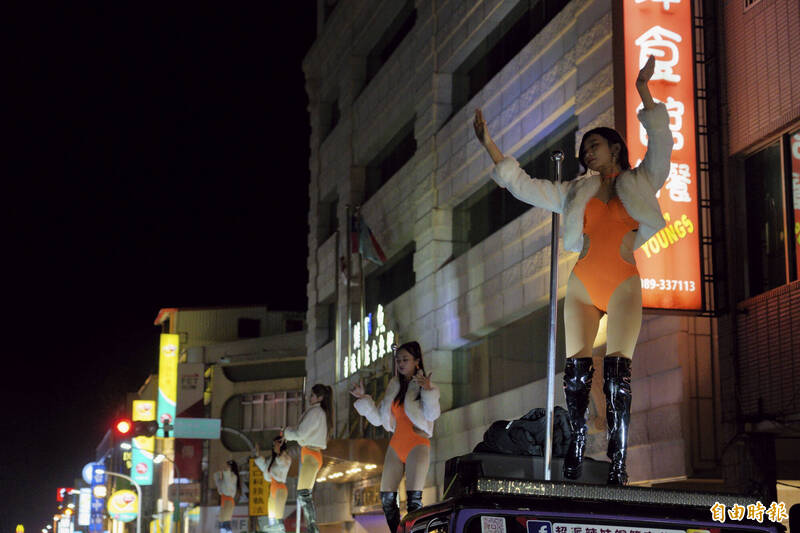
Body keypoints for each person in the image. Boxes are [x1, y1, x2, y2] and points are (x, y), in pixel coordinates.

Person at [473, 55, 672, 485]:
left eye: (593, 146)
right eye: (583, 150)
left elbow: (661, 147)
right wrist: (489, 145)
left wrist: (643, 91)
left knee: (617, 379)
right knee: (577, 378)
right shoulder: (573, 191)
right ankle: (576, 453)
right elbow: (524, 185)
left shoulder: (639, 181)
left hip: (622, 284)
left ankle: (619, 465)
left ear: (614, 148)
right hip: (582, 286)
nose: (586, 154)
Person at [350, 341, 441, 532]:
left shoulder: (424, 385)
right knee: (386, 498)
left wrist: (429, 391)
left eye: (405, 359)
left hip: (418, 444)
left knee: (413, 501)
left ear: (417, 362)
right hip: (396, 445)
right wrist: (362, 399)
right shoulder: (394, 385)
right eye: (398, 359)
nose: (400, 363)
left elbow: (432, 415)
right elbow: (379, 419)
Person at [282, 383, 333, 533]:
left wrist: (286, 433)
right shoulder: (320, 413)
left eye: (312, 395)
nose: (309, 397)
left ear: (320, 397)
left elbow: (300, 433)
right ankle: (311, 527)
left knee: (303, 493)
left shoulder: (316, 413)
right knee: (304, 494)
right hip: (312, 454)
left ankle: (312, 528)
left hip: (310, 454)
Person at [255, 436, 291, 532]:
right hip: (273, 490)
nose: (274, 446)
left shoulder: (286, 458)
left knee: (278, 518)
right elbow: (264, 468)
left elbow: (282, 464)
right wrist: (257, 453)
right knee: (271, 518)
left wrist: (279, 452)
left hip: (280, 488)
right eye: (273, 444)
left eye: (276, 444)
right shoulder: (272, 459)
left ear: (281, 445)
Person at [213, 459, 240, 533]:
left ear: (230, 467)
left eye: (227, 465)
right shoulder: (226, 476)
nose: (225, 467)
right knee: (222, 520)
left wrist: (225, 473)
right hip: (224, 500)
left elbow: (228, 486)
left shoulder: (233, 476)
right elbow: (219, 487)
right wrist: (220, 473)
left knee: (225, 521)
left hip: (228, 501)